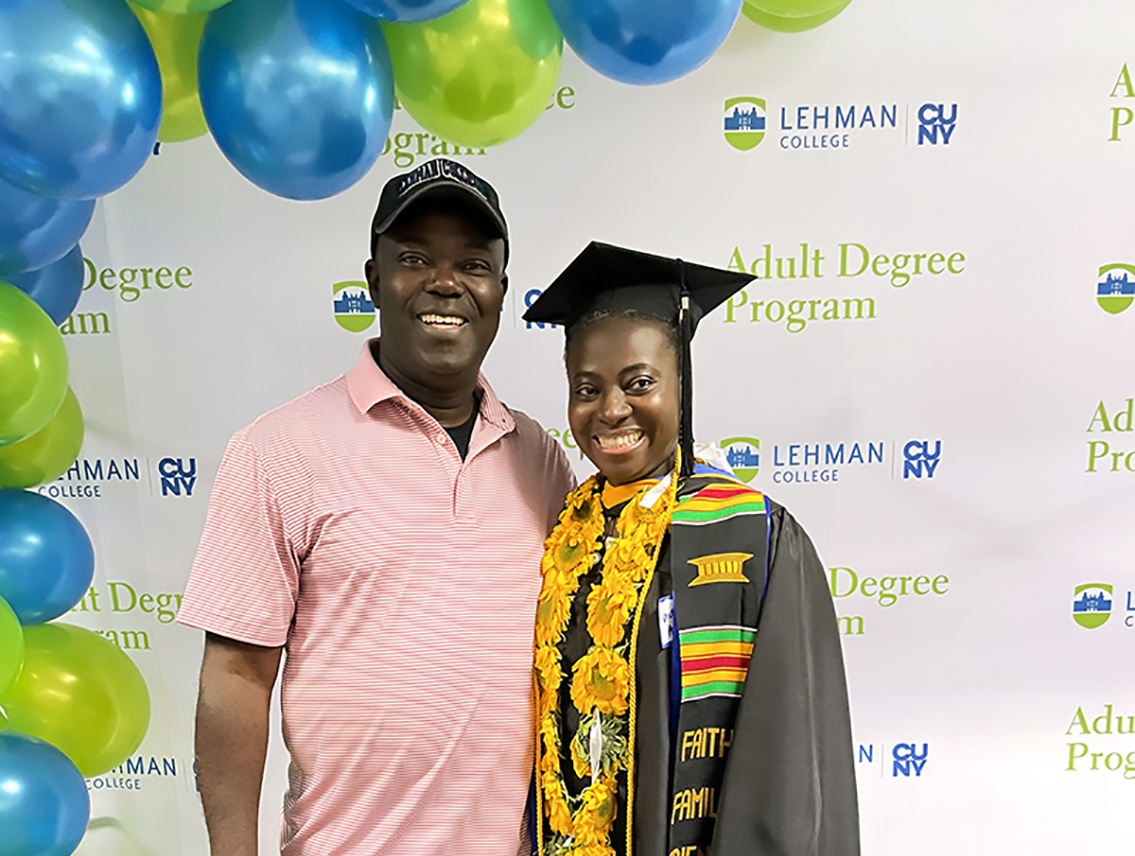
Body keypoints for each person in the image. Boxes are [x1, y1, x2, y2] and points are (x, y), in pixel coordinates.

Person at [177, 158, 575, 856]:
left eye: (473, 264)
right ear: (373, 281)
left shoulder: (538, 459)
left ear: (501, 292)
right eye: (415, 258)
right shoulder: (278, 450)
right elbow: (237, 677)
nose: (445, 283)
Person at [522, 242, 859, 856]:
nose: (611, 410)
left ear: (683, 385)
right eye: (587, 388)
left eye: (640, 382)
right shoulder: (566, 536)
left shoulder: (753, 536)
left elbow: (787, 763)